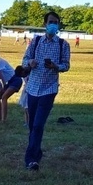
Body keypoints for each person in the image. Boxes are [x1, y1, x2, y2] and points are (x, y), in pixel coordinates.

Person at [22, 10, 71, 170]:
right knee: (32, 125)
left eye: (56, 23)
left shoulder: (63, 44)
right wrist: (30, 63)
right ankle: (36, 151)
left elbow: (66, 65)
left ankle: (31, 159)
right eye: (50, 22)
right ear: (44, 24)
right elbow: (24, 60)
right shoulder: (35, 42)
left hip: (49, 89)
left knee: (38, 124)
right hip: (32, 88)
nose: (53, 25)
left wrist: (56, 66)